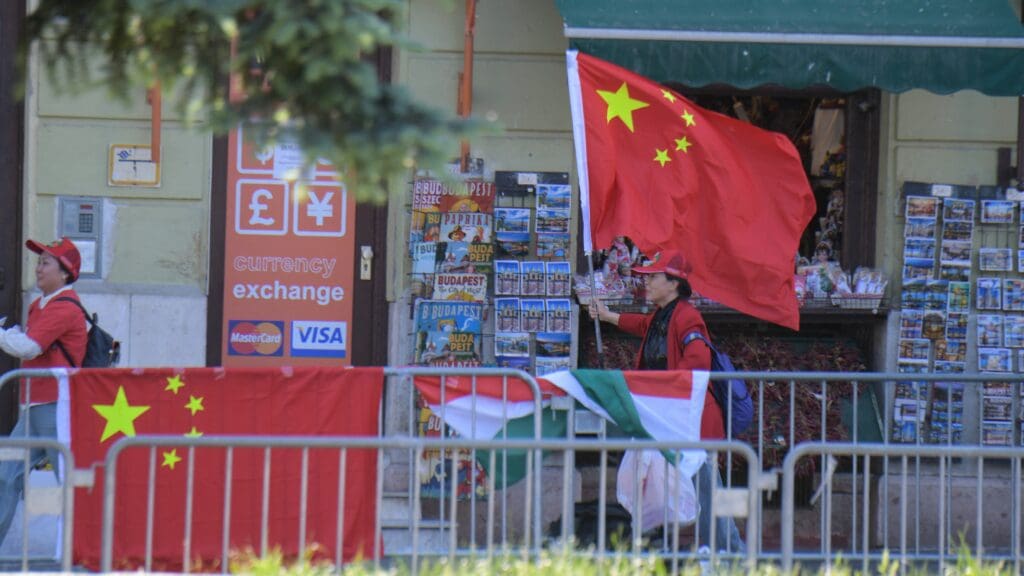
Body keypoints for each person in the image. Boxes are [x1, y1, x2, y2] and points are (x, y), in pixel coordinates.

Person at [588, 249, 745, 554]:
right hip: (675, 419)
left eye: (654, 277)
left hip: (692, 422)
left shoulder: (688, 317)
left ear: (673, 284)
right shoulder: (665, 315)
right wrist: (608, 316)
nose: (647, 282)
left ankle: (733, 553)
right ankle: (709, 552)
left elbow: (698, 363)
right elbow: (643, 327)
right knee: (690, 489)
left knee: (708, 492)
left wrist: (661, 388)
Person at [0, 237, 87, 544]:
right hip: (37, 406)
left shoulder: (64, 308)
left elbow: (29, 346)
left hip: (55, 407)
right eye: (38, 261)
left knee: (67, 480)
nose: (38, 268)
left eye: (45, 262)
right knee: (5, 475)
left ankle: (88, 550)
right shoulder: (42, 305)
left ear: (65, 273)